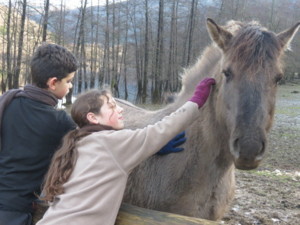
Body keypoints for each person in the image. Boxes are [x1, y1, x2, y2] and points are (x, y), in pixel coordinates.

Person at [0, 43, 186, 225]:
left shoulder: (9, 102)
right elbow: (99, 144)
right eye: (69, 81)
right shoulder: (59, 122)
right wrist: (153, 147)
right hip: (15, 211)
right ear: (53, 83)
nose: (71, 86)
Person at [36, 77, 216, 225]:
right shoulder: (113, 143)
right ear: (93, 117)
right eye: (112, 106)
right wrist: (195, 101)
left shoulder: (77, 143)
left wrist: (150, 151)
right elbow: (162, 129)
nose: (121, 109)